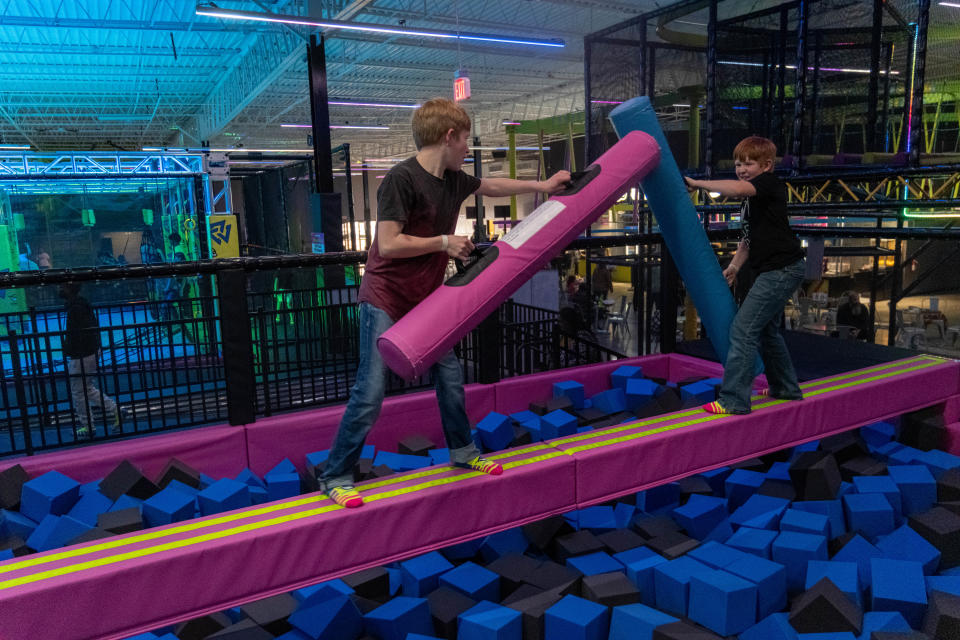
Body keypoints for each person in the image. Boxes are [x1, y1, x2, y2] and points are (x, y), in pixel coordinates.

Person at [320, 97, 570, 508]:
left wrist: (542, 187)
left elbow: (491, 184)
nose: (468, 150)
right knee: (371, 390)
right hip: (385, 296)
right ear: (449, 136)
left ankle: (462, 451)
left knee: (450, 378)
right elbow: (387, 243)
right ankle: (336, 474)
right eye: (466, 141)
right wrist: (443, 242)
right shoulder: (401, 179)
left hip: (427, 299)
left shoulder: (454, 180)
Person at [685, 136, 806, 414]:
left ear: (766, 165)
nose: (741, 169)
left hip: (782, 269)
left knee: (743, 329)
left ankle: (734, 400)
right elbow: (747, 241)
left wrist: (699, 183)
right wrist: (735, 267)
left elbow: (739, 188)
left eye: (748, 164)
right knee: (766, 331)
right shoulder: (751, 202)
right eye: (738, 163)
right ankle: (785, 387)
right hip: (775, 268)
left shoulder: (768, 184)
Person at [60, 282, 119, 438]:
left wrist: (70, 350)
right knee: (87, 388)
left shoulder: (75, 309)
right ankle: (116, 410)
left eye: (62, 287)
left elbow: (77, 334)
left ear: (68, 289)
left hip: (81, 355)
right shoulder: (81, 305)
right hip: (89, 352)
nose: (60, 289)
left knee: (78, 392)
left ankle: (88, 427)